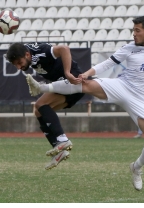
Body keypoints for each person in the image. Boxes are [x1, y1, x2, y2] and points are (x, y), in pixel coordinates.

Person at [25, 16, 144, 190]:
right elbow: (107, 63)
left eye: (137, 30)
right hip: (123, 86)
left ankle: (136, 168)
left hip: (142, 99)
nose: (134, 33)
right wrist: (88, 73)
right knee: (86, 84)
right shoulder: (129, 47)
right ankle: (41, 88)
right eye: (133, 30)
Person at [5, 42, 85, 170]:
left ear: (27, 54)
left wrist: (68, 73)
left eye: (19, 63)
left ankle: (62, 139)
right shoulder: (27, 53)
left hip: (72, 81)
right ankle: (58, 150)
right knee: (39, 111)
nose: (19, 67)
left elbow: (64, 49)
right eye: (16, 65)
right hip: (62, 85)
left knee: (40, 104)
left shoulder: (41, 52)